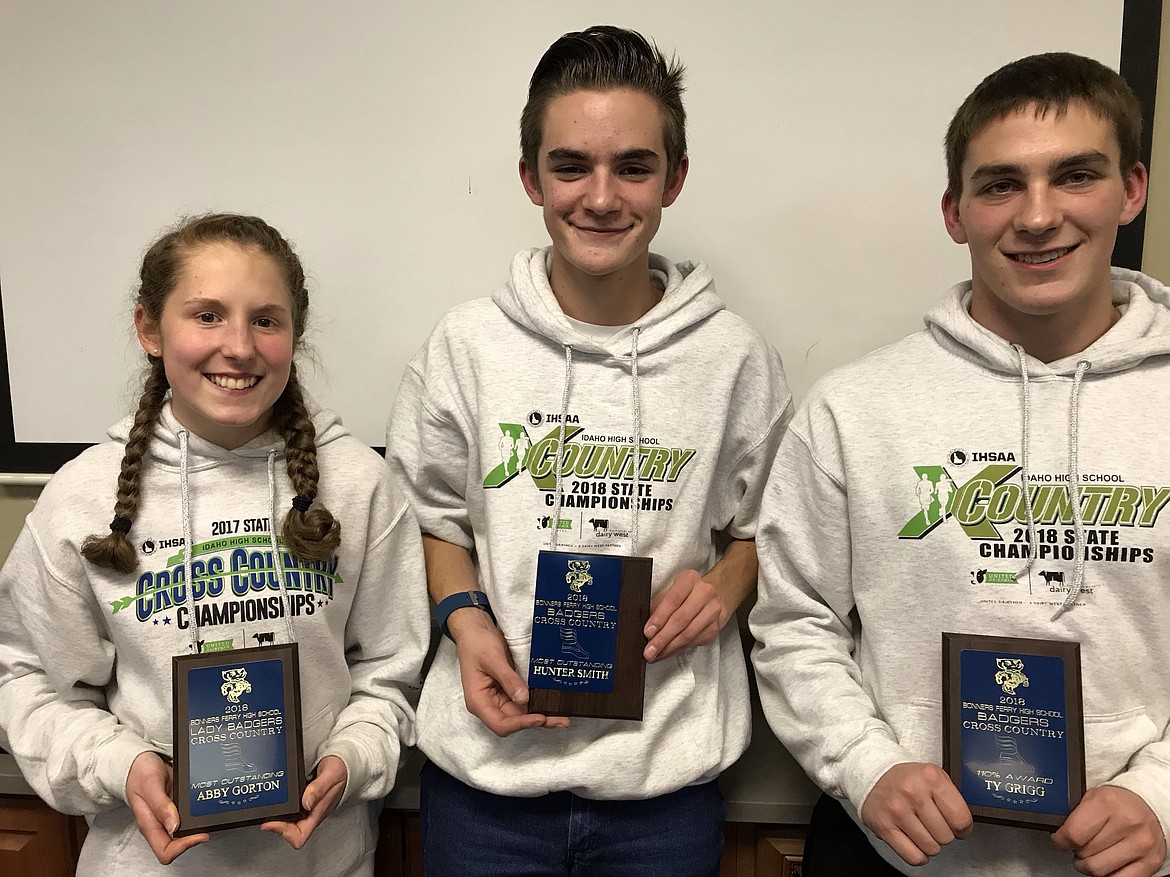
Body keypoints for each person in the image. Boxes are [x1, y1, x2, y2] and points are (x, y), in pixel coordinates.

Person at [750, 52, 1169, 876]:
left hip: (1122, 861)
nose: (1038, 216)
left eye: (1075, 175)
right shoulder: (853, 409)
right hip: (889, 855)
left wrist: (1161, 794)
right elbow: (793, 622)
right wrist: (865, 767)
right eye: (1000, 184)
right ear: (955, 211)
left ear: (1131, 189)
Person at [386, 25, 791, 877]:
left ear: (674, 178)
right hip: (486, 790)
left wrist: (723, 586)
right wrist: (462, 619)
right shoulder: (465, 346)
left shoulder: (734, 357)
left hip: (665, 794)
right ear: (531, 176)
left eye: (633, 167)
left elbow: (771, 528)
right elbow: (428, 519)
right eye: (571, 165)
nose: (601, 197)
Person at [0, 213, 430, 876]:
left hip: (324, 860)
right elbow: (25, 678)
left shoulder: (360, 485)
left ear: (295, 333)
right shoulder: (80, 499)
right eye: (206, 315)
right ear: (150, 328)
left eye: (265, 319)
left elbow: (391, 672)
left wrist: (354, 756)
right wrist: (121, 762)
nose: (239, 346)